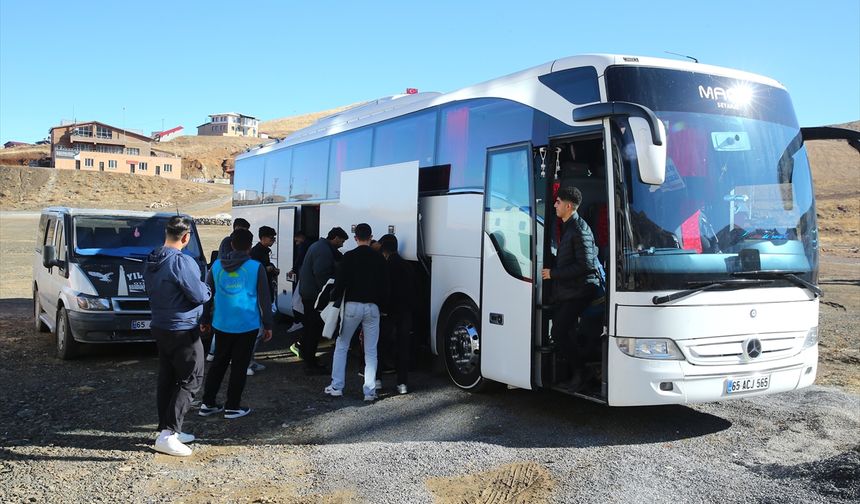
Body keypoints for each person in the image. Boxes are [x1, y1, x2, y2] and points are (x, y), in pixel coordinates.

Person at [144, 216, 212, 457]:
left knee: (169, 377)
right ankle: (168, 435)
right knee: (192, 378)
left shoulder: (152, 258)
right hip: (182, 327)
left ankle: (167, 428)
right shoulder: (181, 262)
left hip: (160, 324)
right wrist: (207, 289)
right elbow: (198, 294)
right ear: (186, 237)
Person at [198, 229, 273, 419]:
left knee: (218, 363)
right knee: (240, 366)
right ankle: (233, 406)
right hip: (247, 324)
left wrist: (205, 319)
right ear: (250, 246)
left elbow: (207, 296)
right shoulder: (256, 267)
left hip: (222, 323)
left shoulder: (216, 266)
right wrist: (268, 324)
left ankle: (208, 403)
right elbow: (265, 299)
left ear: (231, 244)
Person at [540, 186, 600, 392]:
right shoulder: (570, 226)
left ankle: (582, 372)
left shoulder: (579, 229)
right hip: (571, 290)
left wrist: (553, 274)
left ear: (568, 206)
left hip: (581, 290)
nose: (554, 205)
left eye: (557, 202)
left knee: (558, 331)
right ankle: (578, 371)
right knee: (565, 330)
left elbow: (586, 265)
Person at [325, 223, 389, 401]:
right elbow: (385, 286)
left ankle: (337, 386)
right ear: (370, 237)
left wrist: (333, 298)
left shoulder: (349, 256)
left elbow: (341, 282)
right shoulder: (379, 259)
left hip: (352, 306)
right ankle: (369, 392)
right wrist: (383, 307)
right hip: (373, 308)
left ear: (355, 238)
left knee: (342, 345)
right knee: (371, 350)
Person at [297, 226, 348, 374]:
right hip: (314, 296)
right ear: (336, 238)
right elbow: (322, 275)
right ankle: (310, 363)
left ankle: (306, 355)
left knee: (309, 327)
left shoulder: (320, 246)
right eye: (342, 241)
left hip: (308, 293)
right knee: (314, 329)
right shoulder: (323, 251)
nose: (342, 245)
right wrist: (331, 293)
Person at [208, 217, 251, 362]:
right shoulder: (229, 242)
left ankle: (215, 352)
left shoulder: (227, 245)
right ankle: (218, 352)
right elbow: (230, 261)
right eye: (243, 230)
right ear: (237, 228)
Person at [379, 234, 415, 395]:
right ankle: (402, 384)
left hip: (388, 312)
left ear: (383, 249)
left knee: (381, 345)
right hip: (405, 311)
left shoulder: (386, 266)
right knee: (403, 348)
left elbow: (385, 290)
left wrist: (382, 308)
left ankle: (377, 380)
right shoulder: (407, 266)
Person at [247, 225, 279, 376]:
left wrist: (272, 268)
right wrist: (269, 269)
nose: (273, 240)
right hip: (258, 295)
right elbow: (256, 270)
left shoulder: (264, 251)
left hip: (265, 291)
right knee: (256, 332)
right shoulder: (256, 252)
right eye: (272, 237)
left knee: (257, 333)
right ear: (263, 238)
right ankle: (246, 362)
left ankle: (251, 361)